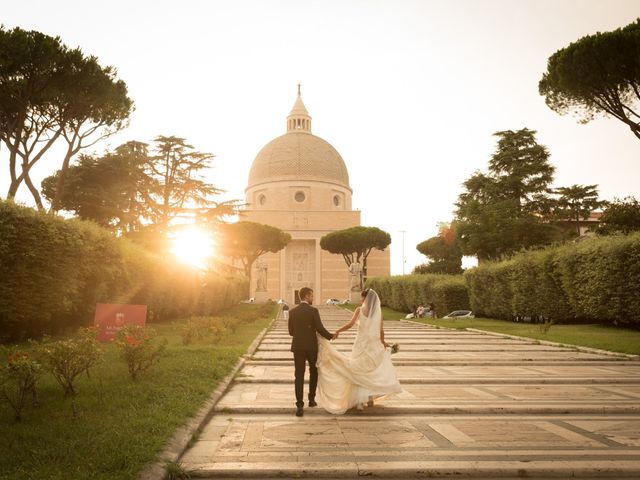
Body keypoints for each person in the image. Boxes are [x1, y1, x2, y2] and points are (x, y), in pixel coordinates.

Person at [316, 289, 402, 414]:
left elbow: (350, 324)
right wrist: (383, 343)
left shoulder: (359, 310)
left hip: (361, 344)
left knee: (358, 371)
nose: (362, 300)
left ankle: (360, 402)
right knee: (370, 371)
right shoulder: (378, 313)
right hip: (373, 344)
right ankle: (370, 398)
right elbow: (381, 331)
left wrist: (338, 331)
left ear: (365, 299)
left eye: (362, 298)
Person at [288, 287, 334, 417]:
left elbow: (291, 332)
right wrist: (331, 336)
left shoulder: (292, 312)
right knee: (313, 372)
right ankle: (311, 399)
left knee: (299, 375)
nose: (312, 298)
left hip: (298, 347)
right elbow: (319, 328)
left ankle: (299, 405)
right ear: (307, 296)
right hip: (312, 347)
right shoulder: (313, 311)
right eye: (312, 296)